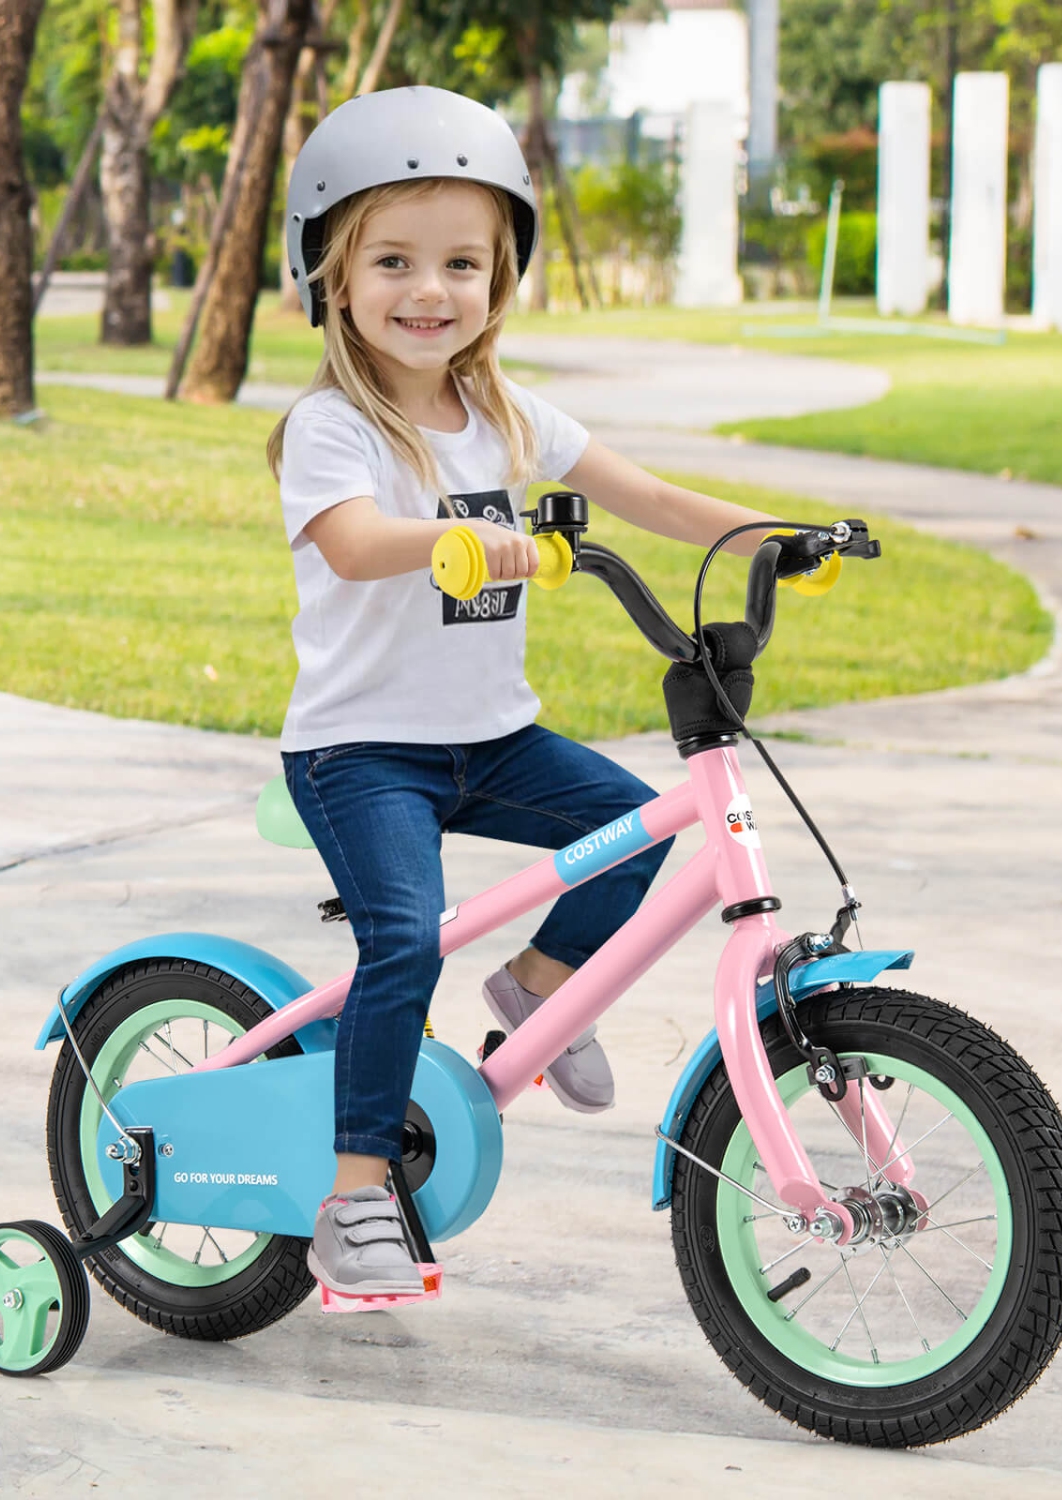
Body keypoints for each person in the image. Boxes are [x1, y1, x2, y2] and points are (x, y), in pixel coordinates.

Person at [269, 86, 779, 1299]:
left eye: (462, 263)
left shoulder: (508, 414)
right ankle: (354, 1199)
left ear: (503, 279)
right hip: (361, 753)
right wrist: (452, 532)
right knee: (403, 936)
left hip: (492, 740)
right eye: (393, 260)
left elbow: (648, 498)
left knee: (643, 835)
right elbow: (347, 541)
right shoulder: (331, 426)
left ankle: (536, 992)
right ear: (334, 277)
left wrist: (775, 532)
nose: (429, 290)